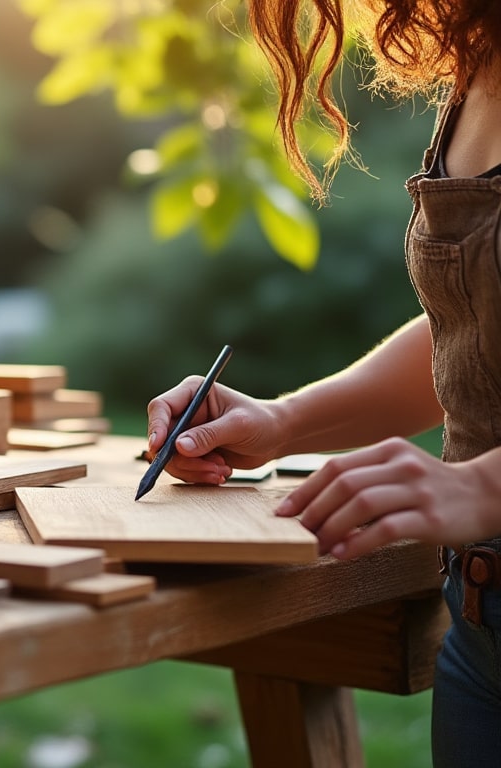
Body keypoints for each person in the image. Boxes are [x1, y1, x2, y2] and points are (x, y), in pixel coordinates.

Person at [143, 2, 501, 765]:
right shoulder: (479, 63)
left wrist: (484, 487)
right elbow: (470, 333)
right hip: (481, 636)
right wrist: (283, 420)